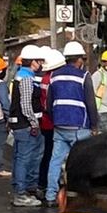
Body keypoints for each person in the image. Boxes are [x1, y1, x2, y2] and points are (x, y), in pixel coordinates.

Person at [45, 41, 99, 208]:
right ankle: (80, 196)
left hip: (60, 125)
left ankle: (50, 195)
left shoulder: (54, 76)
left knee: (55, 161)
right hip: (79, 125)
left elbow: (49, 103)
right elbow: (91, 102)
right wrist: (94, 125)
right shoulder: (84, 76)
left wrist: (56, 119)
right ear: (80, 60)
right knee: (81, 161)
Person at [9, 45, 46, 207]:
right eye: (39, 61)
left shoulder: (22, 75)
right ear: (33, 62)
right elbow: (25, 104)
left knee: (21, 158)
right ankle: (21, 193)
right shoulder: (25, 78)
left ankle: (24, 188)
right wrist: (34, 123)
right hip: (25, 125)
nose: (41, 64)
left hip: (21, 124)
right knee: (24, 159)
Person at [38, 48, 64, 197]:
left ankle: (43, 183)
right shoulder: (52, 79)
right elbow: (50, 104)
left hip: (45, 122)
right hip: (51, 122)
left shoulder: (45, 78)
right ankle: (47, 185)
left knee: (47, 154)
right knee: (52, 156)